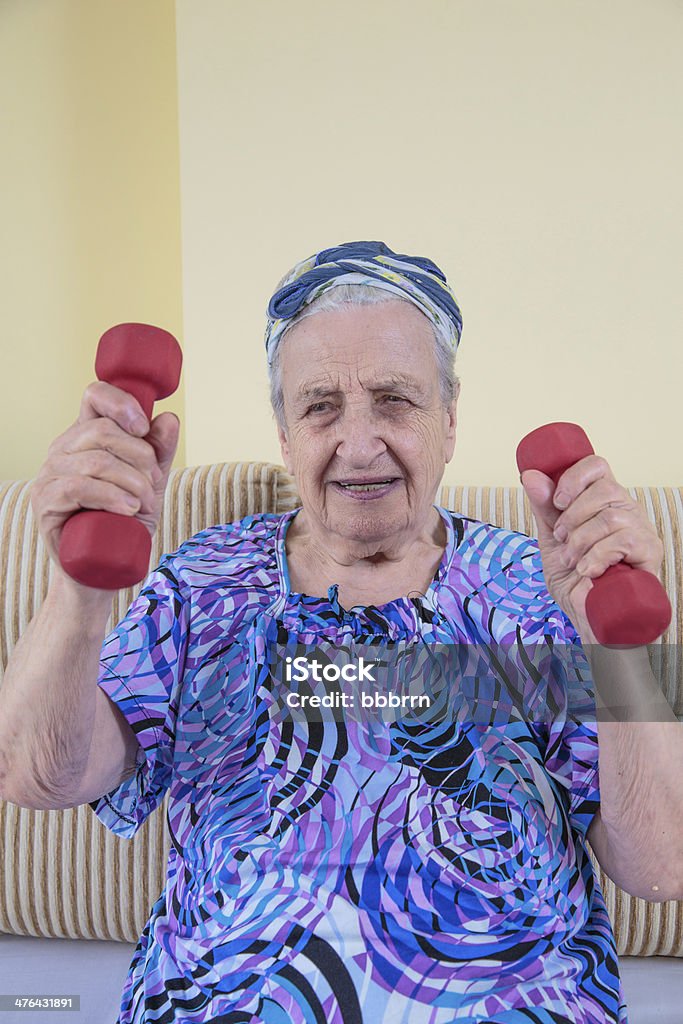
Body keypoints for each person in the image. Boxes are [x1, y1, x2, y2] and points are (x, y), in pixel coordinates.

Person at [0, 240, 678, 1024]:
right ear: (284, 433)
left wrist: (619, 647)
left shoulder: (536, 590)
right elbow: (36, 776)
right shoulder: (205, 581)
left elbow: (663, 865)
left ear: (449, 419)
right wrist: (79, 590)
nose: (359, 444)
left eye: (394, 399)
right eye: (320, 405)